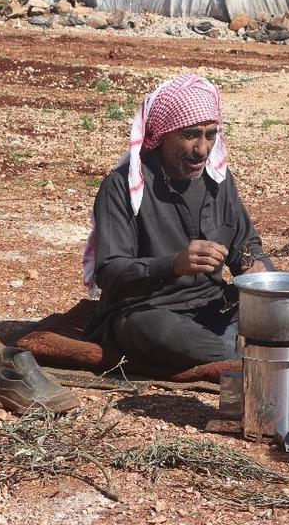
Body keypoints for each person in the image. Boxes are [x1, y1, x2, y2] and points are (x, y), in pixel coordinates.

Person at [82, 74, 272, 371]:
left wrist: (256, 268)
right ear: (162, 134)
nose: (203, 149)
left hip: (215, 306)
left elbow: (245, 244)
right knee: (163, 333)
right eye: (190, 135)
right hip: (148, 310)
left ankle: (236, 355)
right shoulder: (121, 187)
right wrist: (173, 264)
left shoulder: (219, 180)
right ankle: (243, 361)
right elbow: (110, 273)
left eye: (210, 135)